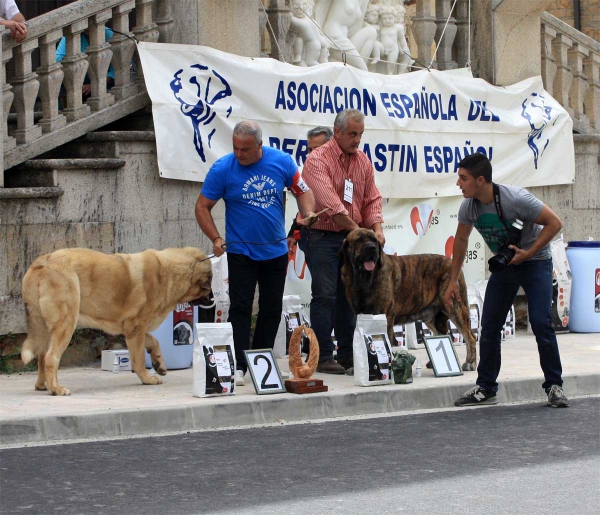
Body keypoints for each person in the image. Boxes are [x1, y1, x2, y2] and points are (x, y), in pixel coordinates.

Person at [195, 121, 316, 385]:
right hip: (240, 252)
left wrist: (306, 214)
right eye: (236, 148)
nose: (240, 154)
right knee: (240, 307)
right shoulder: (222, 169)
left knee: (271, 308)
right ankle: (238, 363)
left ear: (260, 146)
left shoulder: (281, 162)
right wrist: (215, 237)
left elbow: (303, 192)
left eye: (246, 149)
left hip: (275, 251)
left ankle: (261, 360)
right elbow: (202, 206)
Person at [446, 153, 569, 408]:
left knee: (540, 322)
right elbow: (460, 241)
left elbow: (554, 223)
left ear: (480, 180)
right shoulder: (468, 207)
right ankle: (486, 387)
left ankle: (554, 386)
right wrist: (452, 281)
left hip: (535, 261)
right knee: (489, 325)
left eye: (463, 178)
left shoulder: (517, 198)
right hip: (505, 266)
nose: (458, 183)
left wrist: (530, 252)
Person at [300, 109, 384, 374]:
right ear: (336, 132)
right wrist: (361, 234)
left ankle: (347, 354)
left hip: (353, 237)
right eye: (352, 134)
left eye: (360, 134)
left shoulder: (363, 162)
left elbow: (372, 199)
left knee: (349, 296)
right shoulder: (317, 160)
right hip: (323, 236)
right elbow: (330, 204)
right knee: (325, 295)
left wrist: (377, 229)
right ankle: (323, 355)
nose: (357, 140)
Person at [286, 126, 333, 252]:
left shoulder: (342, 171)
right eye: (309, 149)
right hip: (315, 241)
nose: (312, 154)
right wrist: (294, 235)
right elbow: (303, 215)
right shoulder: (309, 173)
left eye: (316, 149)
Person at [56, 27, 115, 101]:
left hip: (105, 82)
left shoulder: (108, 35)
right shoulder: (71, 36)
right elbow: (58, 59)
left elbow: (115, 70)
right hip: (79, 82)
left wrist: (94, 85)